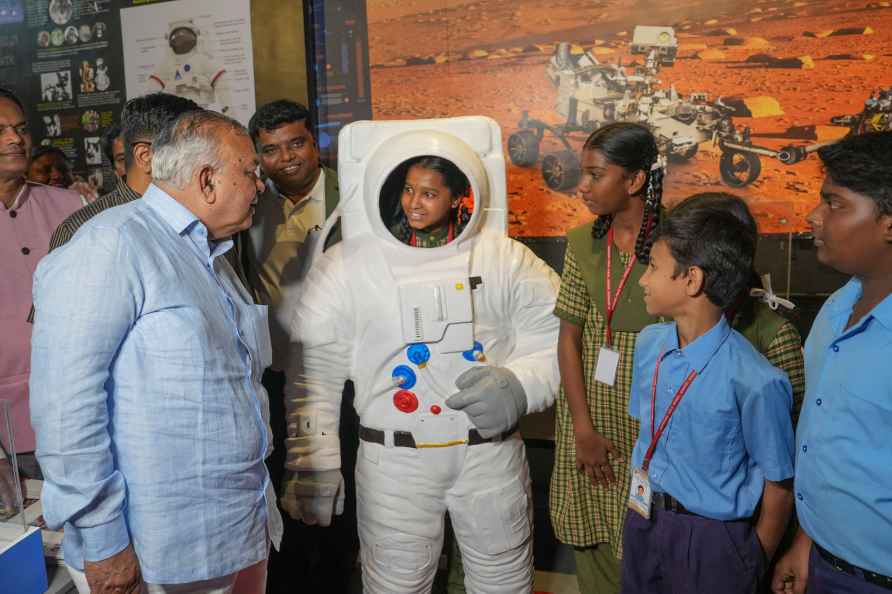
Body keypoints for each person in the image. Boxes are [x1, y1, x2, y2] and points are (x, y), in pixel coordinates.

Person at [280, 116, 560, 593]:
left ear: (459, 196)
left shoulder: (504, 259)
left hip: (487, 454)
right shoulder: (347, 265)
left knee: (504, 583)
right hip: (395, 460)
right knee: (395, 585)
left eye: (429, 193)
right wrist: (314, 463)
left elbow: (555, 341)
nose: (414, 203)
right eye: (408, 190)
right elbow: (314, 375)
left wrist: (519, 386)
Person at [547, 124, 805, 594]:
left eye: (596, 174)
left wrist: (754, 557)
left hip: (704, 520)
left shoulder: (682, 244)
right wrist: (583, 429)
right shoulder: (652, 341)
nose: (582, 186)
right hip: (632, 481)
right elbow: (570, 336)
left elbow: (776, 476)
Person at [30, 110, 280, 594]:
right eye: (250, 172)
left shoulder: (209, 253)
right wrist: (104, 542)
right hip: (159, 553)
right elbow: (67, 412)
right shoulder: (110, 246)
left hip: (232, 532)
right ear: (207, 181)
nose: (259, 185)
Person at [621, 198, 795, 594]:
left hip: (713, 541)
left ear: (692, 280)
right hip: (643, 516)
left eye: (653, 268)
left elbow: (779, 484)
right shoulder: (649, 345)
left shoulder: (756, 380)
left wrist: (751, 559)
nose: (643, 280)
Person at [771, 131, 892, 594]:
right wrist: (808, 540)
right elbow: (827, 443)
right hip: (825, 563)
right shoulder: (837, 308)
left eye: (835, 204)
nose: (813, 216)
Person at [242, 99, 355, 593]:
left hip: (340, 378)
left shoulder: (352, 199)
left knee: (337, 491)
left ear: (315, 143)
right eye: (270, 149)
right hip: (272, 376)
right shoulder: (247, 202)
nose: (286, 157)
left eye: (296, 143)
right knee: (277, 491)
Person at [0, 87, 80, 491]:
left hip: (82, 417)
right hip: (8, 437)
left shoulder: (71, 207)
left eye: (20, 129)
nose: (15, 139)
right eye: (0, 130)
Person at [46, 93, 199, 252]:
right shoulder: (80, 231)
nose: (204, 159)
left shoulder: (200, 215)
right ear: (145, 156)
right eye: (192, 149)